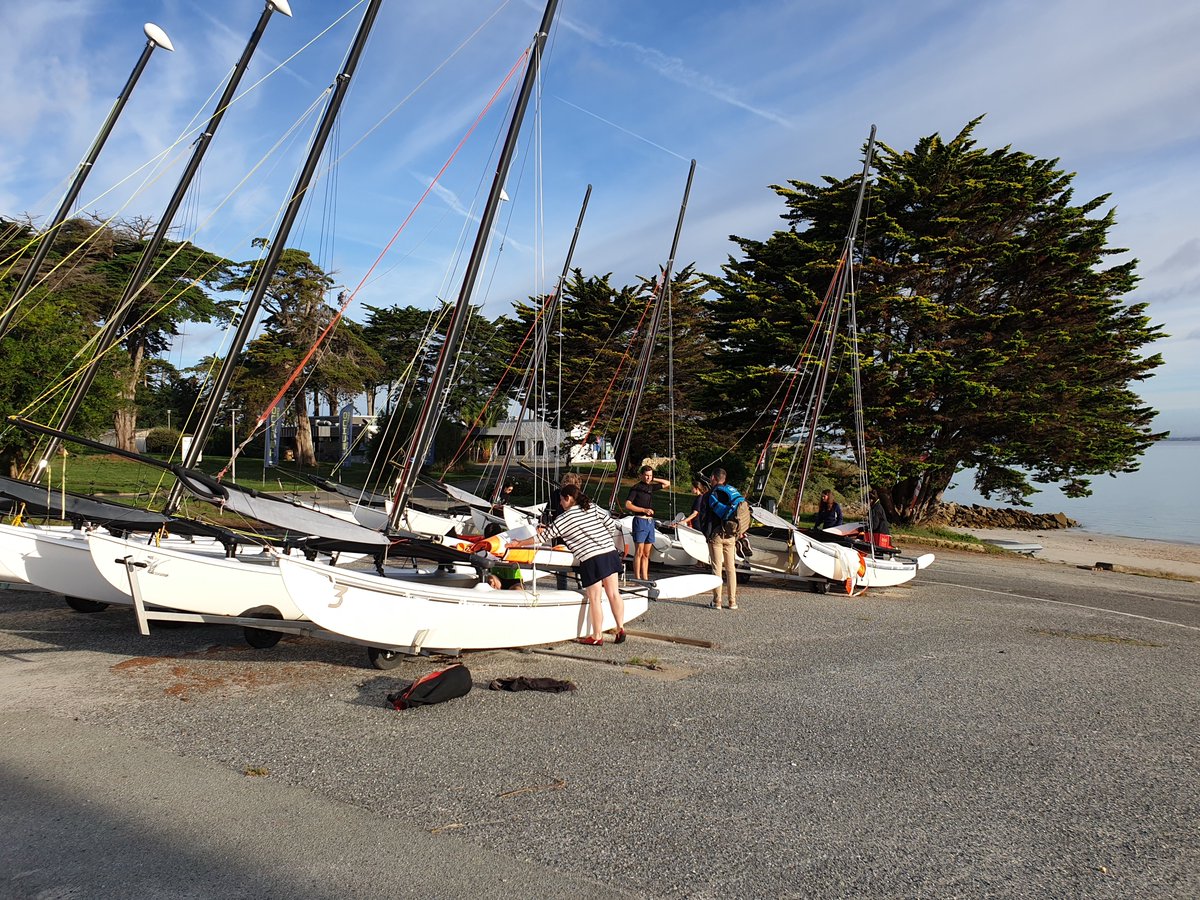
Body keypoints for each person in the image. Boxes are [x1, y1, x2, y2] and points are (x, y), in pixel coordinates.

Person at [509, 484, 625, 645]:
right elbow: (610, 523)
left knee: (595, 598)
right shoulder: (591, 507)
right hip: (609, 551)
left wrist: (519, 543)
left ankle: (597, 636)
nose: (561, 505)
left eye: (561, 501)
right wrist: (604, 538)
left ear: (568, 498)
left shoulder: (564, 518)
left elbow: (543, 538)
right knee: (614, 594)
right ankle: (621, 628)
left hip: (591, 557)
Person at [700, 468, 742, 610]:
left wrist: (707, 534)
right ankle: (732, 601)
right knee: (731, 569)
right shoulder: (731, 492)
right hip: (731, 535)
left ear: (713, 478)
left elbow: (704, 517)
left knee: (717, 568)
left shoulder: (710, 494)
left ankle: (717, 601)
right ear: (724, 479)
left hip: (716, 535)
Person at [624, 465, 670, 581]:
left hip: (650, 523)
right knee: (639, 551)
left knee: (647, 553)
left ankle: (645, 577)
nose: (648, 478)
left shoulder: (650, 487)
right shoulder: (636, 488)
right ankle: (637, 577)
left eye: (650, 476)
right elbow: (628, 504)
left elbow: (667, 483)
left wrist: (654, 478)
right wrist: (643, 510)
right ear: (641, 475)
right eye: (646, 475)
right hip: (640, 521)